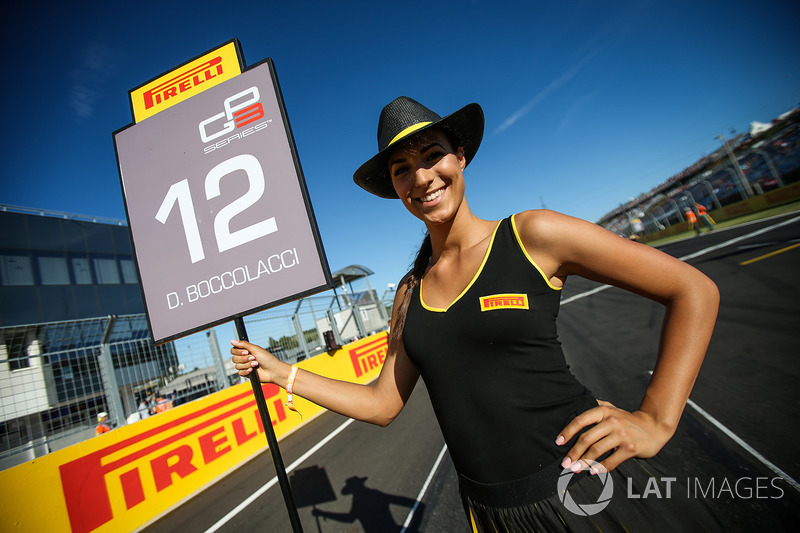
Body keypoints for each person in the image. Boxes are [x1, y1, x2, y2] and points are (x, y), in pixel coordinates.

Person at [231, 97, 721, 531]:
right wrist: (283, 373)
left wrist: (655, 418)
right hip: (488, 512)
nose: (421, 177)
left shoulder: (533, 235)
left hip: (583, 487)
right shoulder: (409, 291)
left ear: (460, 157)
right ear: (395, 187)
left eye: (431, 155)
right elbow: (382, 404)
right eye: (402, 168)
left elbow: (692, 289)